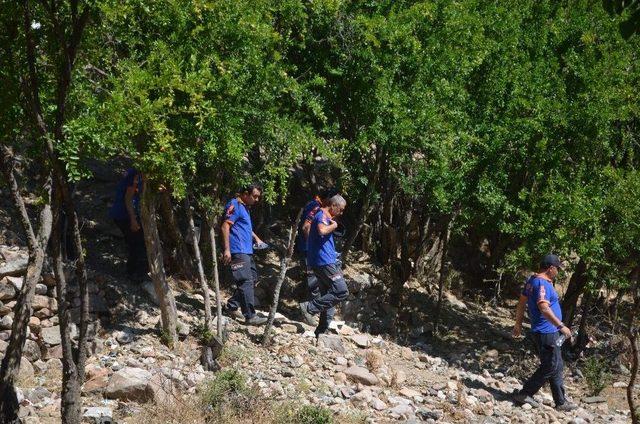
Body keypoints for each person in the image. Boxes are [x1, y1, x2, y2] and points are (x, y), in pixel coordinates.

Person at [512, 254, 578, 411]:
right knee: (550, 365)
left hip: (542, 330)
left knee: (557, 364)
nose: (558, 273)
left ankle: (561, 402)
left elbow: (521, 303)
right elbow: (543, 307)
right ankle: (525, 393)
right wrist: (561, 325)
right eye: (558, 270)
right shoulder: (542, 284)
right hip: (547, 331)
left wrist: (518, 324)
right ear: (551, 268)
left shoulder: (532, 280)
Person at [298, 194, 349, 337]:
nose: (341, 213)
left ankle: (321, 332)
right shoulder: (322, 215)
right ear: (333, 205)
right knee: (341, 291)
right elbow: (321, 230)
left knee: (328, 295)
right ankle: (309, 307)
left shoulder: (324, 216)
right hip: (325, 261)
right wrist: (334, 225)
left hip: (320, 260)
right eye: (341, 209)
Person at [221, 183, 268, 325]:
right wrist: (227, 250)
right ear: (245, 194)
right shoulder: (234, 205)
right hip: (238, 250)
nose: (257, 200)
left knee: (253, 279)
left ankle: (231, 306)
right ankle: (250, 316)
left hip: (247, 250)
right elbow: (225, 226)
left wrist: (256, 238)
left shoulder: (245, 208)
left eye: (258, 197)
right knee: (245, 281)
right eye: (254, 196)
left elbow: (244, 227)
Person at [296, 188, 340, 304]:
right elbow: (306, 227)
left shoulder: (317, 207)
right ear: (328, 200)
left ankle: (308, 308)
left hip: (311, 249)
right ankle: (307, 309)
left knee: (316, 281)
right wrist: (313, 244)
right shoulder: (315, 207)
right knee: (313, 281)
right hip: (309, 250)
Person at [109, 168, 147, 282]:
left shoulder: (138, 174)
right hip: (124, 214)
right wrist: (133, 220)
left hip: (125, 214)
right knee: (138, 244)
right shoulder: (135, 175)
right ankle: (135, 275)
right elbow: (128, 198)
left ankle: (133, 273)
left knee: (136, 243)